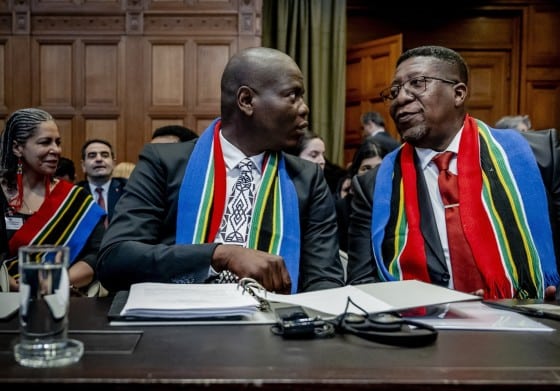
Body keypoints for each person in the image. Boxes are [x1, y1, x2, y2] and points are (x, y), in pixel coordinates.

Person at [347, 45, 560, 300]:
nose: (401, 98)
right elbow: (363, 283)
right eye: (394, 91)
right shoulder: (373, 187)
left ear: (459, 93)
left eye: (417, 83)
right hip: (419, 337)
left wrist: (558, 308)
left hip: (532, 333)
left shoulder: (538, 156)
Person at [97, 47, 345, 294]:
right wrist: (219, 254)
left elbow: (325, 281)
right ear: (246, 101)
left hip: (274, 326)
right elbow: (115, 260)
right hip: (177, 324)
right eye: (293, 95)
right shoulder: (165, 163)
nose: (304, 108)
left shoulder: (307, 179)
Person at [0, 108, 106, 294]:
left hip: (64, 300)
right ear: (18, 148)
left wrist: (57, 281)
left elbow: (97, 254)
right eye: (45, 142)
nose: (56, 150)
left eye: (58, 142)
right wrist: (12, 284)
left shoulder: (76, 198)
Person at [76, 139, 127, 224]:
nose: (99, 159)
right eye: (92, 156)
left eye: (105, 155)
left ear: (113, 163)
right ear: (83, 165)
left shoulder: (128, 190)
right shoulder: (75, 194)